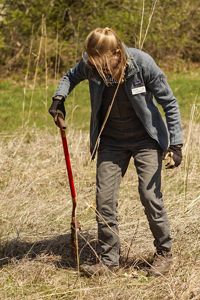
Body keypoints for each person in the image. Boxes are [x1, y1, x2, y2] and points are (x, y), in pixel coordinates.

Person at [49, 27, 183, 277]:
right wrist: (59, 99)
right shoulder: (90, 64)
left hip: (146, 140)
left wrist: (176, 145)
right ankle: (109, 261)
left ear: (116, 53)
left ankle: (164, 253)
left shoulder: (141, 63)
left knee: (149, 196)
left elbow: (170, 102)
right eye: (93, 62)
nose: (98, 69)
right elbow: (70, 76)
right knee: (105, 201)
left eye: (103, 63)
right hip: (111, 142)